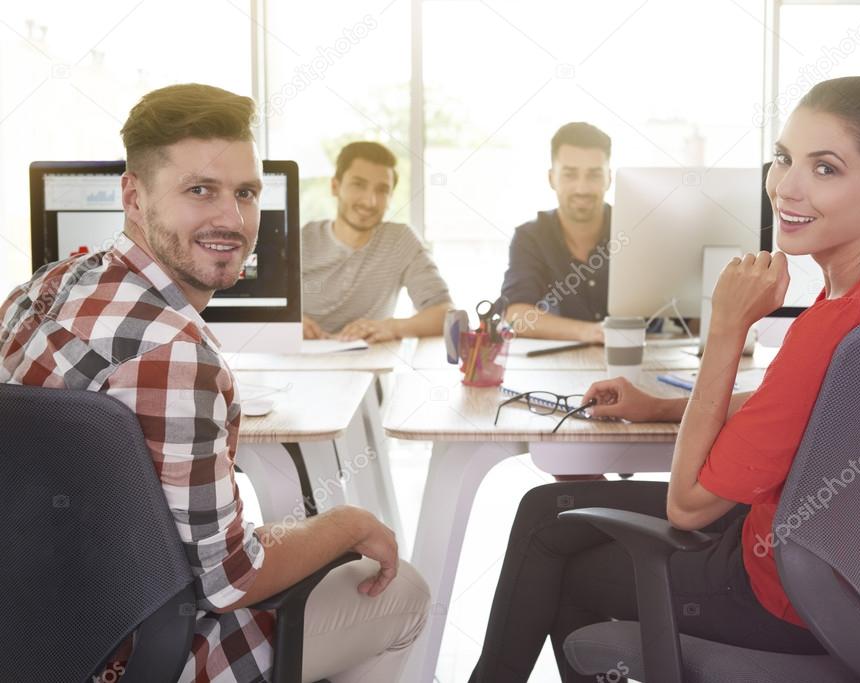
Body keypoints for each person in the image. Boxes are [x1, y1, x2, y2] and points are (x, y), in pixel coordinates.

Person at [470, 75, 860, 682]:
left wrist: (725, 328)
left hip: (782, 594)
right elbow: (812, 405)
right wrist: (662, 406)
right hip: (843, 576)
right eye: (782, 159)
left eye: (825, 169)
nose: (785, 187)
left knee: (561, 561)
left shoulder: (833, 326)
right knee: (546, 509)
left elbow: (689, 504)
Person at [0, 83, 429, 683]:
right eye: (200, 190)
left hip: (35, 634)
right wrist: (349, 523)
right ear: (133, 195)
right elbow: (232, 581)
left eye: (246, 193)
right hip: (139, 655)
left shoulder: (43, 286)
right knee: (399, 591)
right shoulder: (180, 356)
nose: (232, 219)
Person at [302, 141, 453, 342]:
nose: (370, 201)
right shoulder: (301, 241)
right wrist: (283, 323)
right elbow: (255, 310)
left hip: (369, 363)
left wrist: (393, 327)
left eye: (382, 190)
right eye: (358, 185)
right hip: (300, 364)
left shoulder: (401, 241)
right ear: (335, 187)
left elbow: (445, 314)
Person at [499, 122, 614, 342]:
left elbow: (688, 314)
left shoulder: (635, 231)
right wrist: (593, 332)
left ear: (608, 178)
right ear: (552, 178)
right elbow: (516, 317)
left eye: (594, 175)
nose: (582, 188)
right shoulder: (530, 237)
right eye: (570, 175)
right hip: (556, 370)